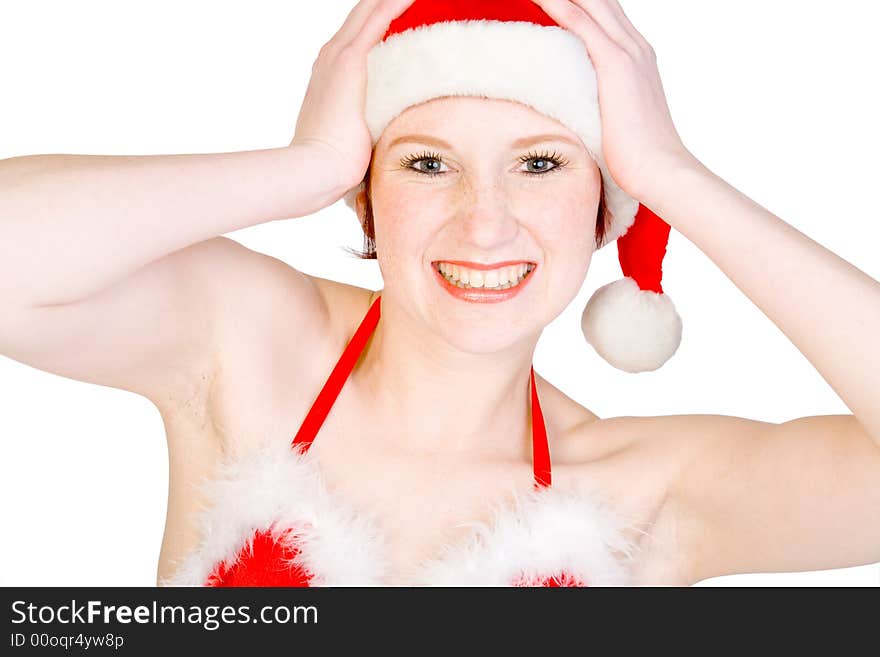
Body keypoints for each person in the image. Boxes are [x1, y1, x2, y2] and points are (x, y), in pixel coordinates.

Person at [1, 0, 878, 586]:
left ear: (606, 209)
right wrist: (300, 167)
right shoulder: (246, 343)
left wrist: (671, 174)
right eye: (427, 163)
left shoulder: (643, 495)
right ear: (367, 193)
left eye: (541, 163)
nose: (484, 223)